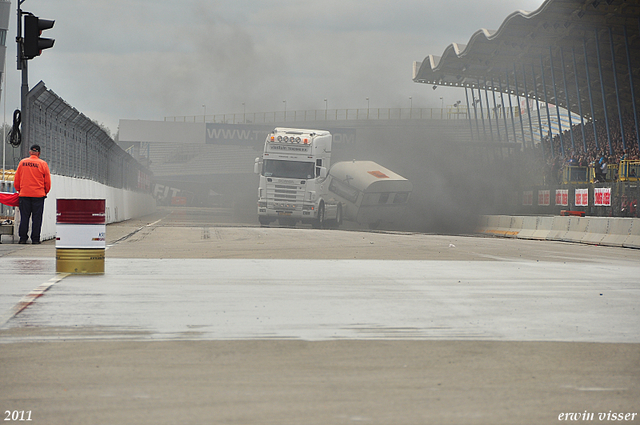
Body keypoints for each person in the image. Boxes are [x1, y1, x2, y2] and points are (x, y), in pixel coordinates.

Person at [14, 144, 51, 244]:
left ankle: (22, 238)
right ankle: (35, 239)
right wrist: (45, 191)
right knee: (37, 218)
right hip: (38, 195)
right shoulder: (43, 164)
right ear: (39, 153)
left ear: (30, 152)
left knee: (24, 217)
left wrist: (19, 190)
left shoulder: (22, 163)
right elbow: (47, 181)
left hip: (24, 194)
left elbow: (17, 179)